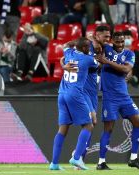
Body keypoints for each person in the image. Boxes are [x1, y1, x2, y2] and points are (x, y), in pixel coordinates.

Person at [95, 31, 139, 170]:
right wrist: (98, 41)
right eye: (117, 42)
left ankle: (133, 159)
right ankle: (101, 162)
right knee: (109, 129)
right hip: (109, 97)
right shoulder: (106, 49)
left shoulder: (130, 54)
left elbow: (125, 69)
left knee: (138, 123)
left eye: (122, 41)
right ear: (112, 41)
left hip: (124, 97)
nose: (120, 44)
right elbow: (92, 39)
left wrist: (106, 62)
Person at [60, 25, 111, 164]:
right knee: (90, 122)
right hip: (83, 91)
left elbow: (97, 65)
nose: (108, 39)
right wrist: (63, 64)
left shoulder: (103, 48)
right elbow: (69, 49)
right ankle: (77, 156)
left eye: (109, 36)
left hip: (93, 91)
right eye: (105, 36)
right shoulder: (89, 45)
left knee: (92, 123)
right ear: (97, 35)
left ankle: (79, 157)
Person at [49, 37, 98, 170]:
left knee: (62, 129)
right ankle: (76, 158)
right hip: (75, 94)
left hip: (62, 94)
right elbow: (97, 64)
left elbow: (65, 44)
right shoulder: (88, 59)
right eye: (88, 46)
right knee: (88, 126)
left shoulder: (69, 53)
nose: (90, 48)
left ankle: (54, 164)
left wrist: (62, 63)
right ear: (83, 48)